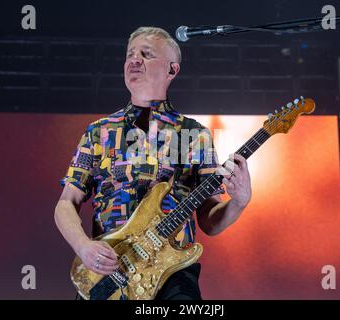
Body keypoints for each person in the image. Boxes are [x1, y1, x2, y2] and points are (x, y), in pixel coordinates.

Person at [54, 26, 252, 300]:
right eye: (130, 54)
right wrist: (83, 246)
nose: (134, 60)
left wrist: (239, 201)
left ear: (172, 70)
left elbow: (209, 220)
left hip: (173, 274)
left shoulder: (195, 135)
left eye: (146, 54)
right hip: (110, 272)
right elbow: (67, 202)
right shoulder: (98, 132)